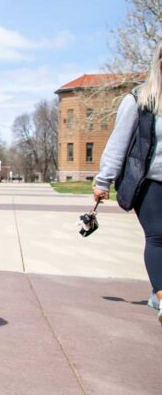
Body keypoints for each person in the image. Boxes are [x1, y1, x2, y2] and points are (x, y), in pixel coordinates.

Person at [93, 42, 162, 326]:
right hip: (149, 181)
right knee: (158, 235)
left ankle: (156, 291)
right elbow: (118, 143)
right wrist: (103, 181)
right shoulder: (139, 100)